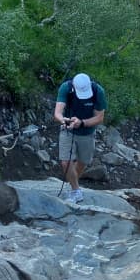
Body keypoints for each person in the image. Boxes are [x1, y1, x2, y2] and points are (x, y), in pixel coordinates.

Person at [53, 73, 107, 203]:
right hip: (68, 130)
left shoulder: (98, 91)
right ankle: (76, 190)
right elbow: (57, 113)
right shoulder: (66, 88)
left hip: (87, 133)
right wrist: (63, 120)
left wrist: (81, 123)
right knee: (66, 161)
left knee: (83, 161)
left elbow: (99, 117)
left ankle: (72, 183)